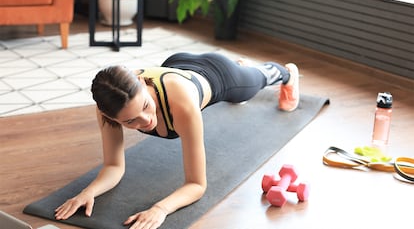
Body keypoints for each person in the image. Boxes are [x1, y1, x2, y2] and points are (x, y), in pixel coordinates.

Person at [54, 52, 299, 229]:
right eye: (130, 122)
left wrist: (161, 209)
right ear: (109, 115)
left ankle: (287, 73)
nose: (146, 120)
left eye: (146, 106)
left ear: (140, 83)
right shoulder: (108, 108)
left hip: (219, 74)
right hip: (177, 66)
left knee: (250, 85)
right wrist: (87, 192)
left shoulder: (181, 104)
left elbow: (196, 184)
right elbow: (114, 167)